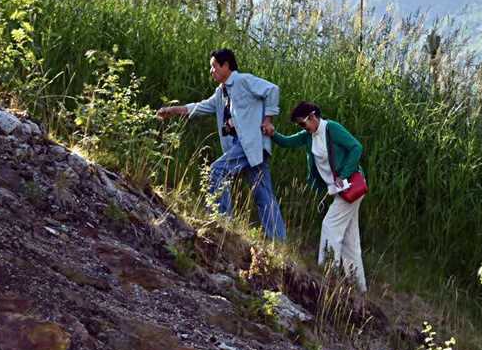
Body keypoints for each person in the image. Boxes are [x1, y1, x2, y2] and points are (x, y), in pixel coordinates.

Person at [156, 49, 286, 241]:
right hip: (243, 147)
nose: (212, 71)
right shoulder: (221, 93)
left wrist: (267, 120)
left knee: (217, 171)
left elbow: (272, 90)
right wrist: (173, 110)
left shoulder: (243, 80)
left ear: (226, 66)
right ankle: (279, 241)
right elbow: (200, 107)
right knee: (263, 194)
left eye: (214, 66)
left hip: (250, 142)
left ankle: (222, 222)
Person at [266, 101, 366, 293]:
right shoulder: (309, 135)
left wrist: (343, 175)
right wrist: (272, 134)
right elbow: (288, 142)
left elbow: (356, 147)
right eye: (299, 126)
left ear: (312, 116)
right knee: (349, 240)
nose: (302, 128)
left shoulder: (332, 129)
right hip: (339, 190)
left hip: (350, 186)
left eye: (302, 124)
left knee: (329, 226)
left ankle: (327, 274)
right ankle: (359, 287)